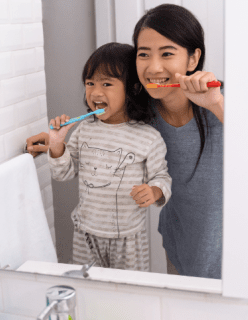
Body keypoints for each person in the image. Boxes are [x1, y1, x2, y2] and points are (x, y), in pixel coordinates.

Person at [27, 4, 223, 279]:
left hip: (227, 247)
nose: (154, 67)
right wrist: (54, 142)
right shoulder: (142, 113)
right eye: (144, 54)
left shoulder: (221, 103)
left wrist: (217, 105)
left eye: (167, 53)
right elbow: (107, 135)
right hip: (179, 242)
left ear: (193, 59)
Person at [47, 42, 172, 272]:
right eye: (90, 83)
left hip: (128, 239)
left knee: (128, 293)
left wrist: (154, 191)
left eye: (107, 84)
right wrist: (57, 145)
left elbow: (162, 177)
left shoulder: (148, 137)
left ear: (133, 89)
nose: (95, 92)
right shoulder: (84, 129)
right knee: (90, 289)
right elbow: (63, 172)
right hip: (86, 235)